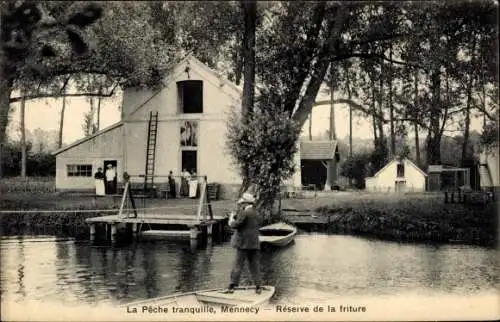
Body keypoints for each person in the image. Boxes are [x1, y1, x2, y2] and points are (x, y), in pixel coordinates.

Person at [222, 192, 262, 294]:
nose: (241, 205)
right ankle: (258, 287)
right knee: (254, 265)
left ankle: (231, 287)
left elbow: (235, 225)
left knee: (238, 265)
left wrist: (231, 219)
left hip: (243, 244)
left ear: (245, 203)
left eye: (242, 203)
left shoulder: (244, 212)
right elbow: (250, 224)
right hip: (254, 243)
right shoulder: (256, 213)